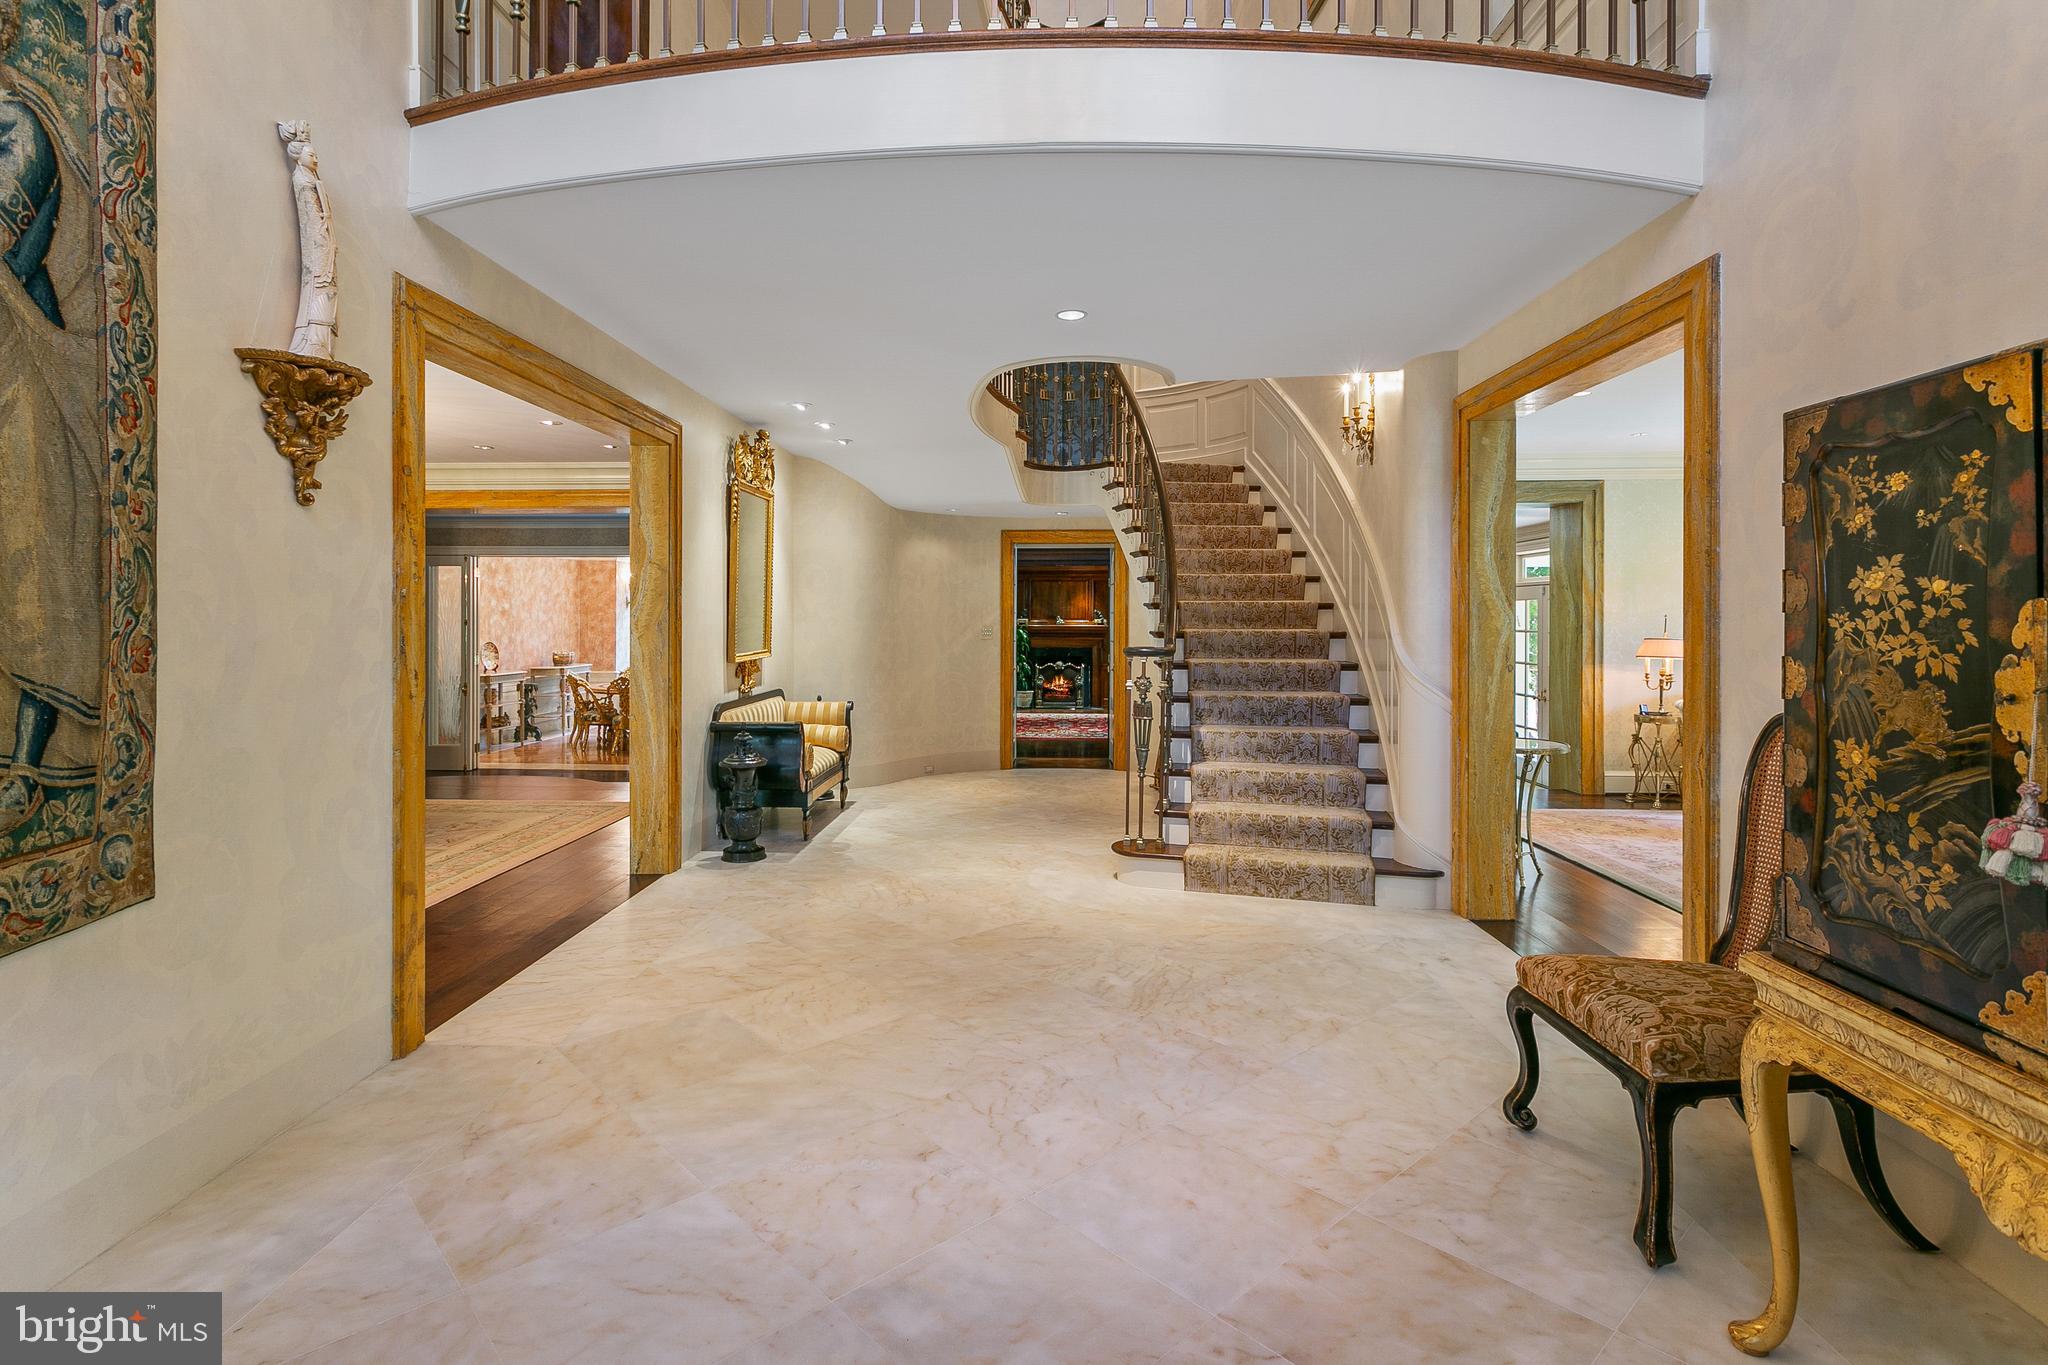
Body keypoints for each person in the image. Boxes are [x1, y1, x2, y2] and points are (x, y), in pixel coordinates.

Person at [0, 1, 106, 839]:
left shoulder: (20, 129)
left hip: (21, 344)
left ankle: (28, 760)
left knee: (37, 555)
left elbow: (26, 247)